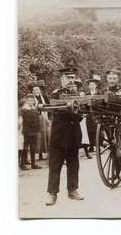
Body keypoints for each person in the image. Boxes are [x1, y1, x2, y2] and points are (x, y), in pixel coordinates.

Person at [46, 59, 84, 206]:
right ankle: (52, 194)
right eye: (68, 78)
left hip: (73, 134)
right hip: (59, 135)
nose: (71, 80)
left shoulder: (79, 94)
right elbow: (62, 112)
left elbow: (81, 114)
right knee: (55, 164)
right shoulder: (56, 93)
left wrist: (77, 111)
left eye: (73, 78)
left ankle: (73, 190)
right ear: (62, 79)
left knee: (73, 163)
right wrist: (75, 111)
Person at [20, 94, 42, 170]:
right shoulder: (24, 109)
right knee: (25, 148)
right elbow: (23, 121)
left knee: (33, 148)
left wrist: (37, 129)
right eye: (29, 100)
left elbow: (37, 119)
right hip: (27, 131)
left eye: (32, 100)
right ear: (26, 101)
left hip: (34, 131)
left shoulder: (33, 108)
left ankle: (33, 164)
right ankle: (22, 165)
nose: (31, 102)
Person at [30, 80, 50, 161]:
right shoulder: (31, 99)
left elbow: (48, 106)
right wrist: (37, 106)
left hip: (44, 118)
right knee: (38, 136)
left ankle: (44, 153)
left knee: (45, 136)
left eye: (37, 90)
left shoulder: (44, 97)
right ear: (32, 92)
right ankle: (38, 154)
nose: (36, 91)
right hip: (36, 118)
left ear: (40, 91)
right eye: (34, 90)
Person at [84, 74, 102, 153]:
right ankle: (91, 146)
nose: (91, 86)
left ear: (95, 85)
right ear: (88, 86)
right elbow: (84, 104)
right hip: (89, 114)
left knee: (98, 130)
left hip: (97, 113)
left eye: (93, 85)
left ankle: (98, 145)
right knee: (89, 131)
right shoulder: (86, 94)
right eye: (90, 85)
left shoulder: (99, 93)